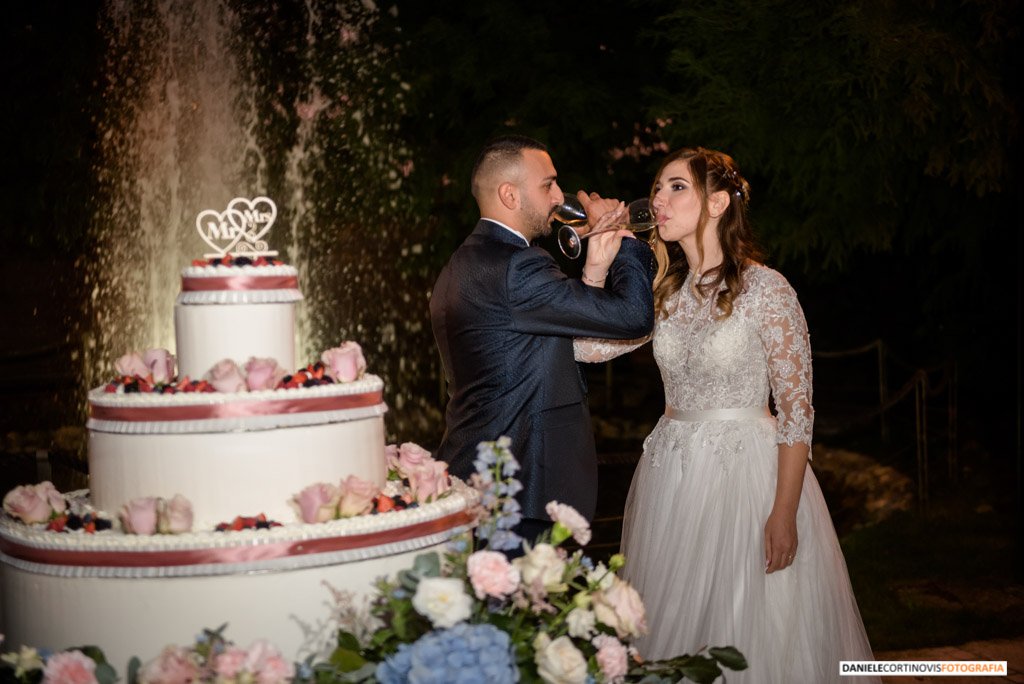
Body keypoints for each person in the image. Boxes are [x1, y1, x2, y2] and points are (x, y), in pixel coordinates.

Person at [574, 147, 879, 682]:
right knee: (675, 626)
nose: (658, 200)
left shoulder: (766, 289)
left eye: (676, 187)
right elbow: (585, 348)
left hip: (748, 479)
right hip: (673, 476)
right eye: (657, 187)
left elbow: (796, 411)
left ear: (717, 202)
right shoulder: (661, 292)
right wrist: (596, 267)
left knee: (749, 626)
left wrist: (784, 512)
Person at [430, 134, 655, 544]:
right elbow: (632, 315)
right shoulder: (517, 267)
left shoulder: (468, 260)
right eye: (547, 184)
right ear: (510, 195)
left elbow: (561, 327)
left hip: (486, 482)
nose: (558, 197)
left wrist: (592, 253)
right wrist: (626, 242)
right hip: (522, 488)